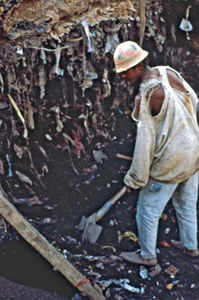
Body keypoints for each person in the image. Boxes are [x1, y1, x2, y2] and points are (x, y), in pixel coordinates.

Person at [113, 41, 199, 266]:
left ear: (139, 65)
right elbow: (195, 103)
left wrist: (135, 178)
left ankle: (147, 255)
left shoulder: (147, 95)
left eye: (126, 71)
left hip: (171, 161)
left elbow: (145, 144)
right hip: (193, 151)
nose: (123, 77)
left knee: (148, 209)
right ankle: (190, 247)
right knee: (186, 204)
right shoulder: (168, 72)